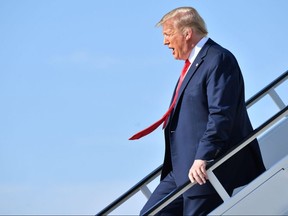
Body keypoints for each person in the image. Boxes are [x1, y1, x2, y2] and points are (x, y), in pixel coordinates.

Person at [129, 6, 266, 215]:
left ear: (187, 33)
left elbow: (220, 114)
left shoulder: (218, 59)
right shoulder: (193, 64)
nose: (165, 42)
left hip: (203, 170)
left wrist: (203, 156)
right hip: (180, 170)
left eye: (168, 34)